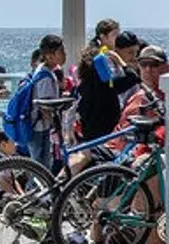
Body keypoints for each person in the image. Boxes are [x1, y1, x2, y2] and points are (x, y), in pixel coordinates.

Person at [75, 20, 140, 143]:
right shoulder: (100, 58)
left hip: (97, 113)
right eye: (114, 35)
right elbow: (112, 86)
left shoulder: (102, 56)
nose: (118, 38)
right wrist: (123, 64)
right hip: (100, 115)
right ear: (103, 37)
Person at [24, 34, 67, 169]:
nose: (65, 55)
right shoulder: (45, 77)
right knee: (40, 166)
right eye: (61, 52)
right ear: (50, 56)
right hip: (38, 127)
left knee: (42, 164)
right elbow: (44, 107)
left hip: (39, 125)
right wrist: (56, 127)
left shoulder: (44, 71)